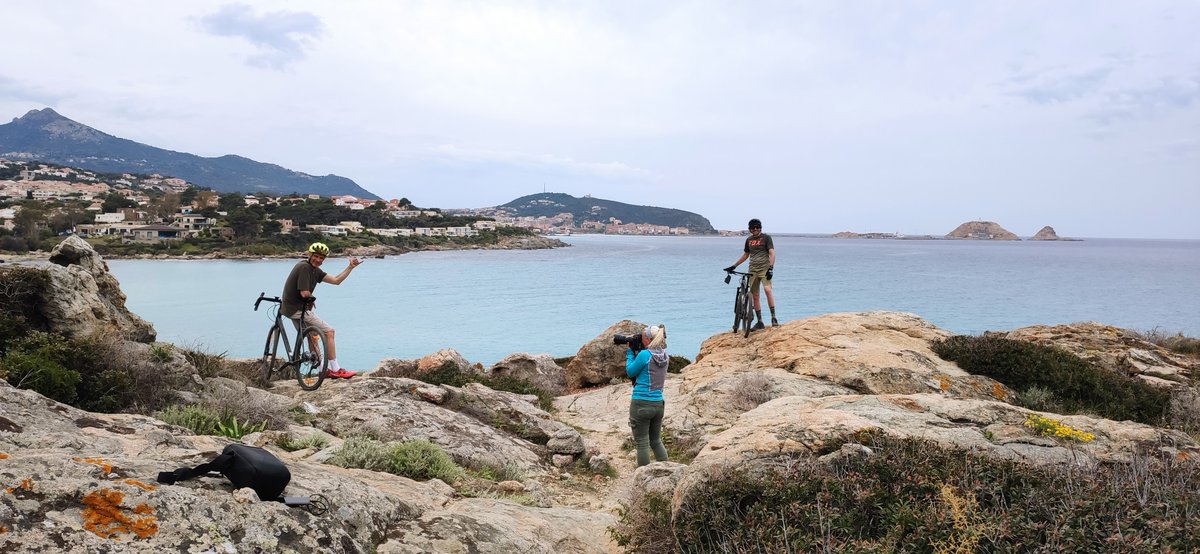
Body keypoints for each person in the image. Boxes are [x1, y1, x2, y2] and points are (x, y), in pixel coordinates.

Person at [281, 242, 363, 379]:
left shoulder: (314, 270)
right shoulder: (304, 268)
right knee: (329, 331)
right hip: (297, 309)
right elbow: (304, 293)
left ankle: (322, 370)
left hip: (291, 309)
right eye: (316, 256)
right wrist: (311, 298)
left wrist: (350, 267)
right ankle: (336, 369)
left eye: (321, 258)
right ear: (309, 254)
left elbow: (336, 280)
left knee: (312, 336)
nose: (318, 260)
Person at [626, 325, 669, 467]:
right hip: (658, 403)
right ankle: (667, 470)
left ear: (648, 339)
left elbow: (630, 372)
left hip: (641, 403)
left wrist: (630, 353)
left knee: (642, 443)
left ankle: (643, 477)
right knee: (656, 441)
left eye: (643, 336)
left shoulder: (645, 355)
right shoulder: (664, 355)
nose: (641, 337)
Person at [724, 218, 777, 329]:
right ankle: (760, 322)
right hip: (752, 270)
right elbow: (746, 255)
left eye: (758, 227)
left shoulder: (766, 238)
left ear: (760, 228)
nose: (756, 229)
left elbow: (772, 253)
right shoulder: (749, 240)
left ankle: (773, 317)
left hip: (764, 269)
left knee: (768, 290)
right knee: (755, 296)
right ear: (750, 229)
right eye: (753, 228)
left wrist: (771, 268)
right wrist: (734, 265)